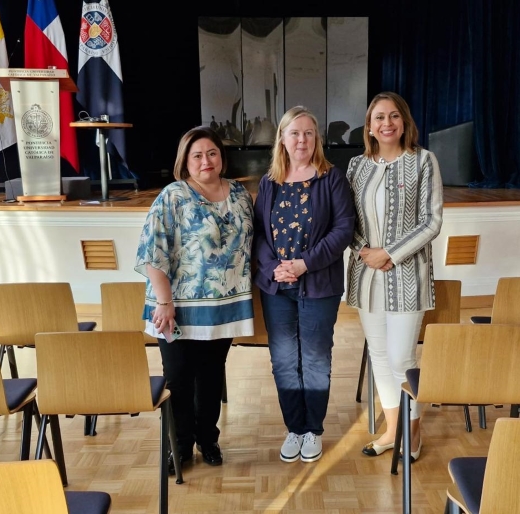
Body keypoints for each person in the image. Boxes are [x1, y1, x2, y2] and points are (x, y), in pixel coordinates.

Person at [135, 126, 254, 474]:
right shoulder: (173, 196)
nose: (206, 160)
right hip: (175, 307)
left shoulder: (240, 194)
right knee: (178, 377)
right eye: (197, 155)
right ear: (185, 161)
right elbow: (152, 252)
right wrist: (164, 302)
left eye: (212, 153)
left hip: (223, 307)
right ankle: (180, 446)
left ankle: (208, 439)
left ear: (221, 157)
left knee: (211, 375)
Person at [253, 106, 355, 463]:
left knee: (314, 359)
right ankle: (294, 428)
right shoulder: (269, 182)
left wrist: (303, 264)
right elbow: (259, 235)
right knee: (283, 360)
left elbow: (344, 229)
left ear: (317, 139)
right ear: (282, 138)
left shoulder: (332, 178)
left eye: (309, 133)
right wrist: (274, 268)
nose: (302, 140)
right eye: (294, 133)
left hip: (320, 284)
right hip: (277, 287)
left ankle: (313, 429)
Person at [345, 92, 443, 462]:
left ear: (405, 122)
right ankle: (392, 430)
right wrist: (365, 252)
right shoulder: (357, 166)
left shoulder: (423, 161)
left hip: (407, 277)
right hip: (366, 275)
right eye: (379, 118)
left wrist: (390, 253)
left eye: (394, 116)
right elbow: (347, 221)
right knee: (380, 356)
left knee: (403, 357)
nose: (387, 123)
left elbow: (431, 221)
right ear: (369, 126)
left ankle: (412, 432)